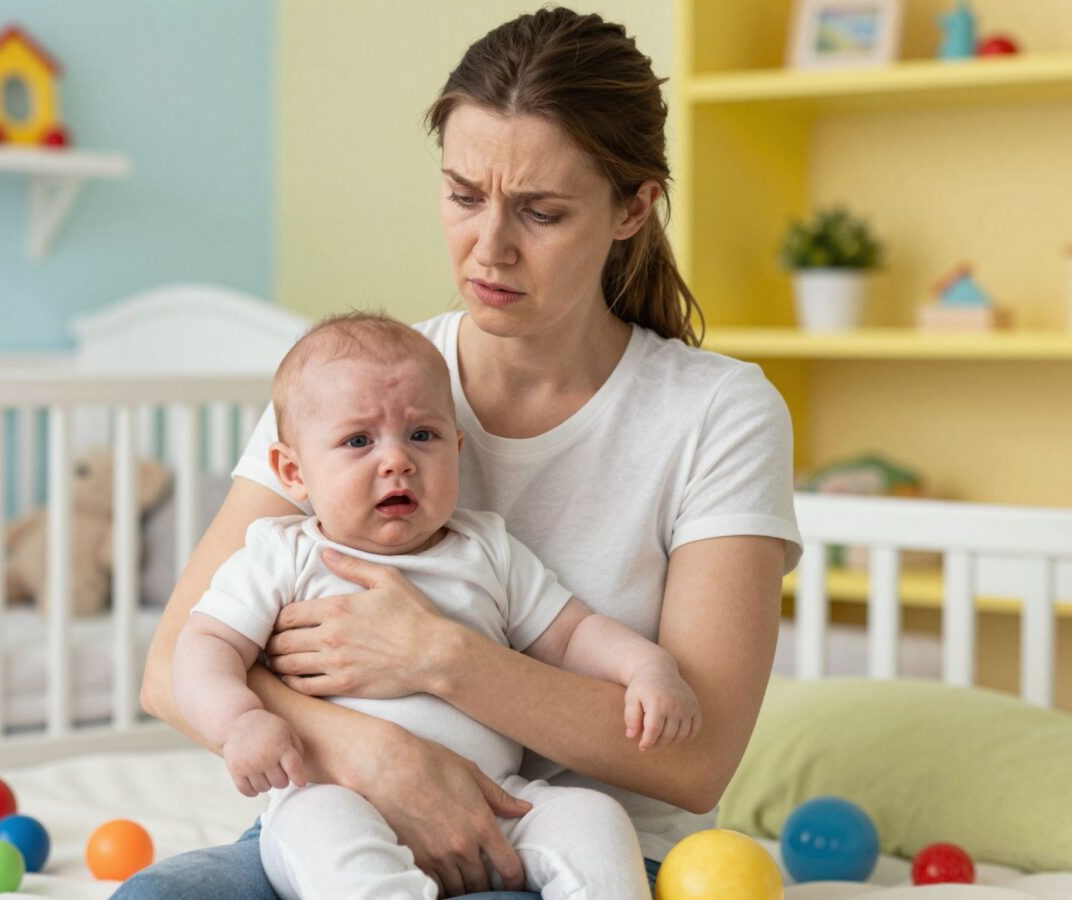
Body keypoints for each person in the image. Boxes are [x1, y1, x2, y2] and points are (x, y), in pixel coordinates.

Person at [120, 7, 802, 899]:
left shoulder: (718, 412)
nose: (490, 248)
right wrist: (375, 752)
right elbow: (172, 667)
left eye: (541, 212)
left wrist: (439, 656)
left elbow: (695, 759)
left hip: (562, 841)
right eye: (463, 195)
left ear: (632, 208)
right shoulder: (357, 383)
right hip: (344, 811)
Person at [173, 312, 701, 899]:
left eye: (422, 435)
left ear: (457, 448)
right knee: (320, 833)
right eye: (358, 441)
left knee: (592, 818)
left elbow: (573, 633)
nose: (396, 460)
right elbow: (205, 645)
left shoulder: (487, 549)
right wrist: (238, 722)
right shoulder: (284, 554)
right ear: (293, 472)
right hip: (336, 798)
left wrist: (647, 667)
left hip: (493, 804)